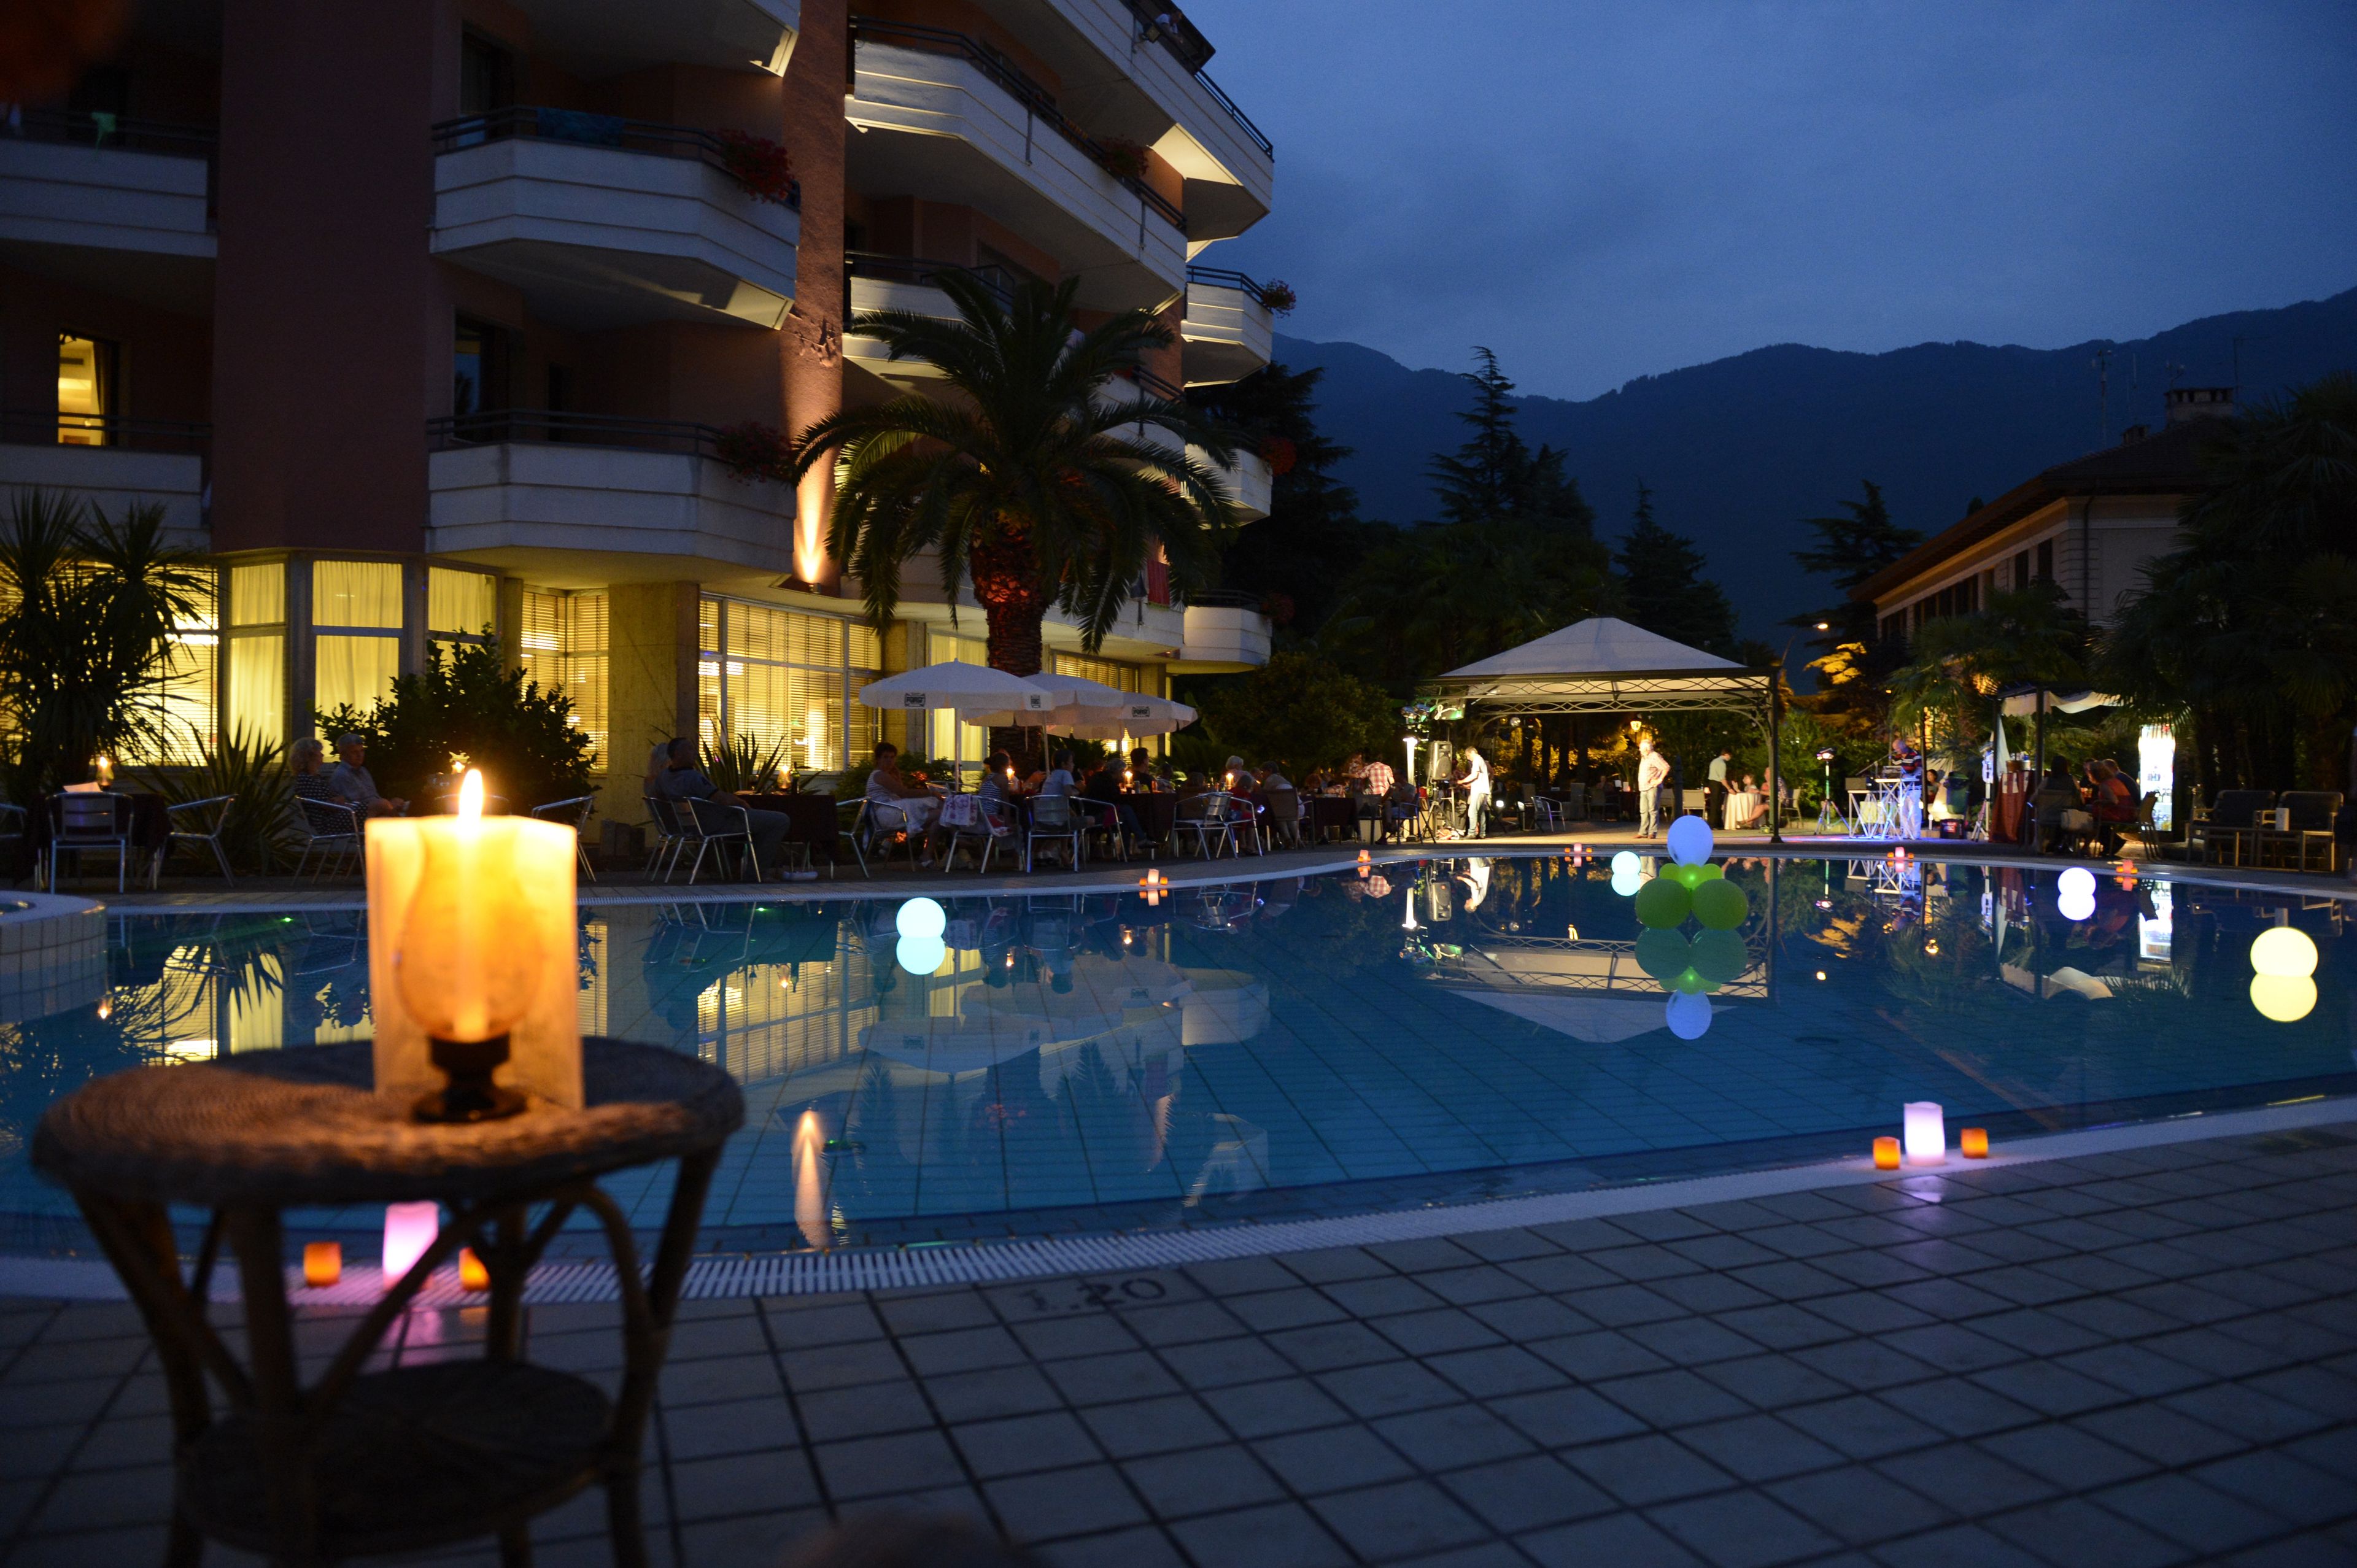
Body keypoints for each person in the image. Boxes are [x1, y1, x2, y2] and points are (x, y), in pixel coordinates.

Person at [659, 736, 794, 872]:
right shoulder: (692, 777)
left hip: (689, 825)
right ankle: (757, 873)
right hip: (716, 824)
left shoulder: (664, 777)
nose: (695, 753)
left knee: (758, 821)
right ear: (678, 753)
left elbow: (657, 796)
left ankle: (734, 870)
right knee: (780, 820)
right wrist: (740, 802)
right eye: (690, 749)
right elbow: (719, 798)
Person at [863, 741, 944, 865]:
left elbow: (901, 793)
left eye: (892, 757)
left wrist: (897, 776)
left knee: (940, 816)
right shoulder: (880, 775)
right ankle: (958, 843)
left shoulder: (887, 775)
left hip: (896, 810)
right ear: (878, 759)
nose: (890, 761)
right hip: (888, 814)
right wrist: (931, 793)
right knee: (938, 806)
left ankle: (927, 856)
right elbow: (904, 793)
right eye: (886, 757)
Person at [330, 735, 406, 818]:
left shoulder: (363, 771)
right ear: (343, 754)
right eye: (354, 752)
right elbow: (358, 804)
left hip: (378, 809)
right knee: (386, 804)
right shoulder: (341, 775)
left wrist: (391, 804)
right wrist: (387, 805)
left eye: (362, 751)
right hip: (360, 816)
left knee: (411, 804)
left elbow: (374, 796)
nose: (360, 755)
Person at [1636, 738, 1670, 839]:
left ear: (1647, 749)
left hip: (1652, 787)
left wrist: (1659, 780)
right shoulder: (1644, 757)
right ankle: (1643, 832)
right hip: (1644, 787)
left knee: (1652, 809)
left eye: (1641, 748)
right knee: (1643, 810)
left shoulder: (1654, 756)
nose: (1639, 750)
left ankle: (1652, 832)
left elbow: (1666, 767)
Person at [1460, 744, 1491, 838]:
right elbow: (1479, 778)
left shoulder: (1477, 760)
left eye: (1468, 756)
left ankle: (1472, 833)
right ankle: (1482, 833)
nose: (1468, 758)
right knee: (1481, 813)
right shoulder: (1481, 760)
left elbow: (1475, 775)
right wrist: (1468, 785)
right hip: (1482, 789)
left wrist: (1462, 781)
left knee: (1472, 811)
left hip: (1479, 790)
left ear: (1472, 753)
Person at [1705, 749, 1732, 830]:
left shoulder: (1714, 761)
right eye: (1730, 756)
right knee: (1717, 804)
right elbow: (1722, 779)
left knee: (1714, 803)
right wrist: (1729, 788)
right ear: (1726, 755)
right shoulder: (1722, 763)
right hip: (1717, 784)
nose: (1730, 758)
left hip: (1712, 783)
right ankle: (1714, 824)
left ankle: (1718, 823)